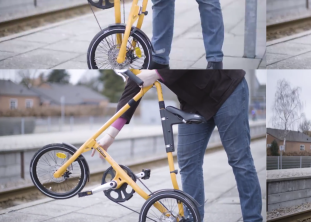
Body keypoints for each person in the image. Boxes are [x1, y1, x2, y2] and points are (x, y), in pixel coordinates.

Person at [93, 70, 262, 222]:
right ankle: (192, 218)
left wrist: (156, 73)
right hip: (194, 103)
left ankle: (253, 218)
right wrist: (110, 136)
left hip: (225, 89)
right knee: (188, 162)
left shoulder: (152, 47)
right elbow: (131, 93)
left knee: (239, 159)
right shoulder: (135, 60)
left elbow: (185, 60)